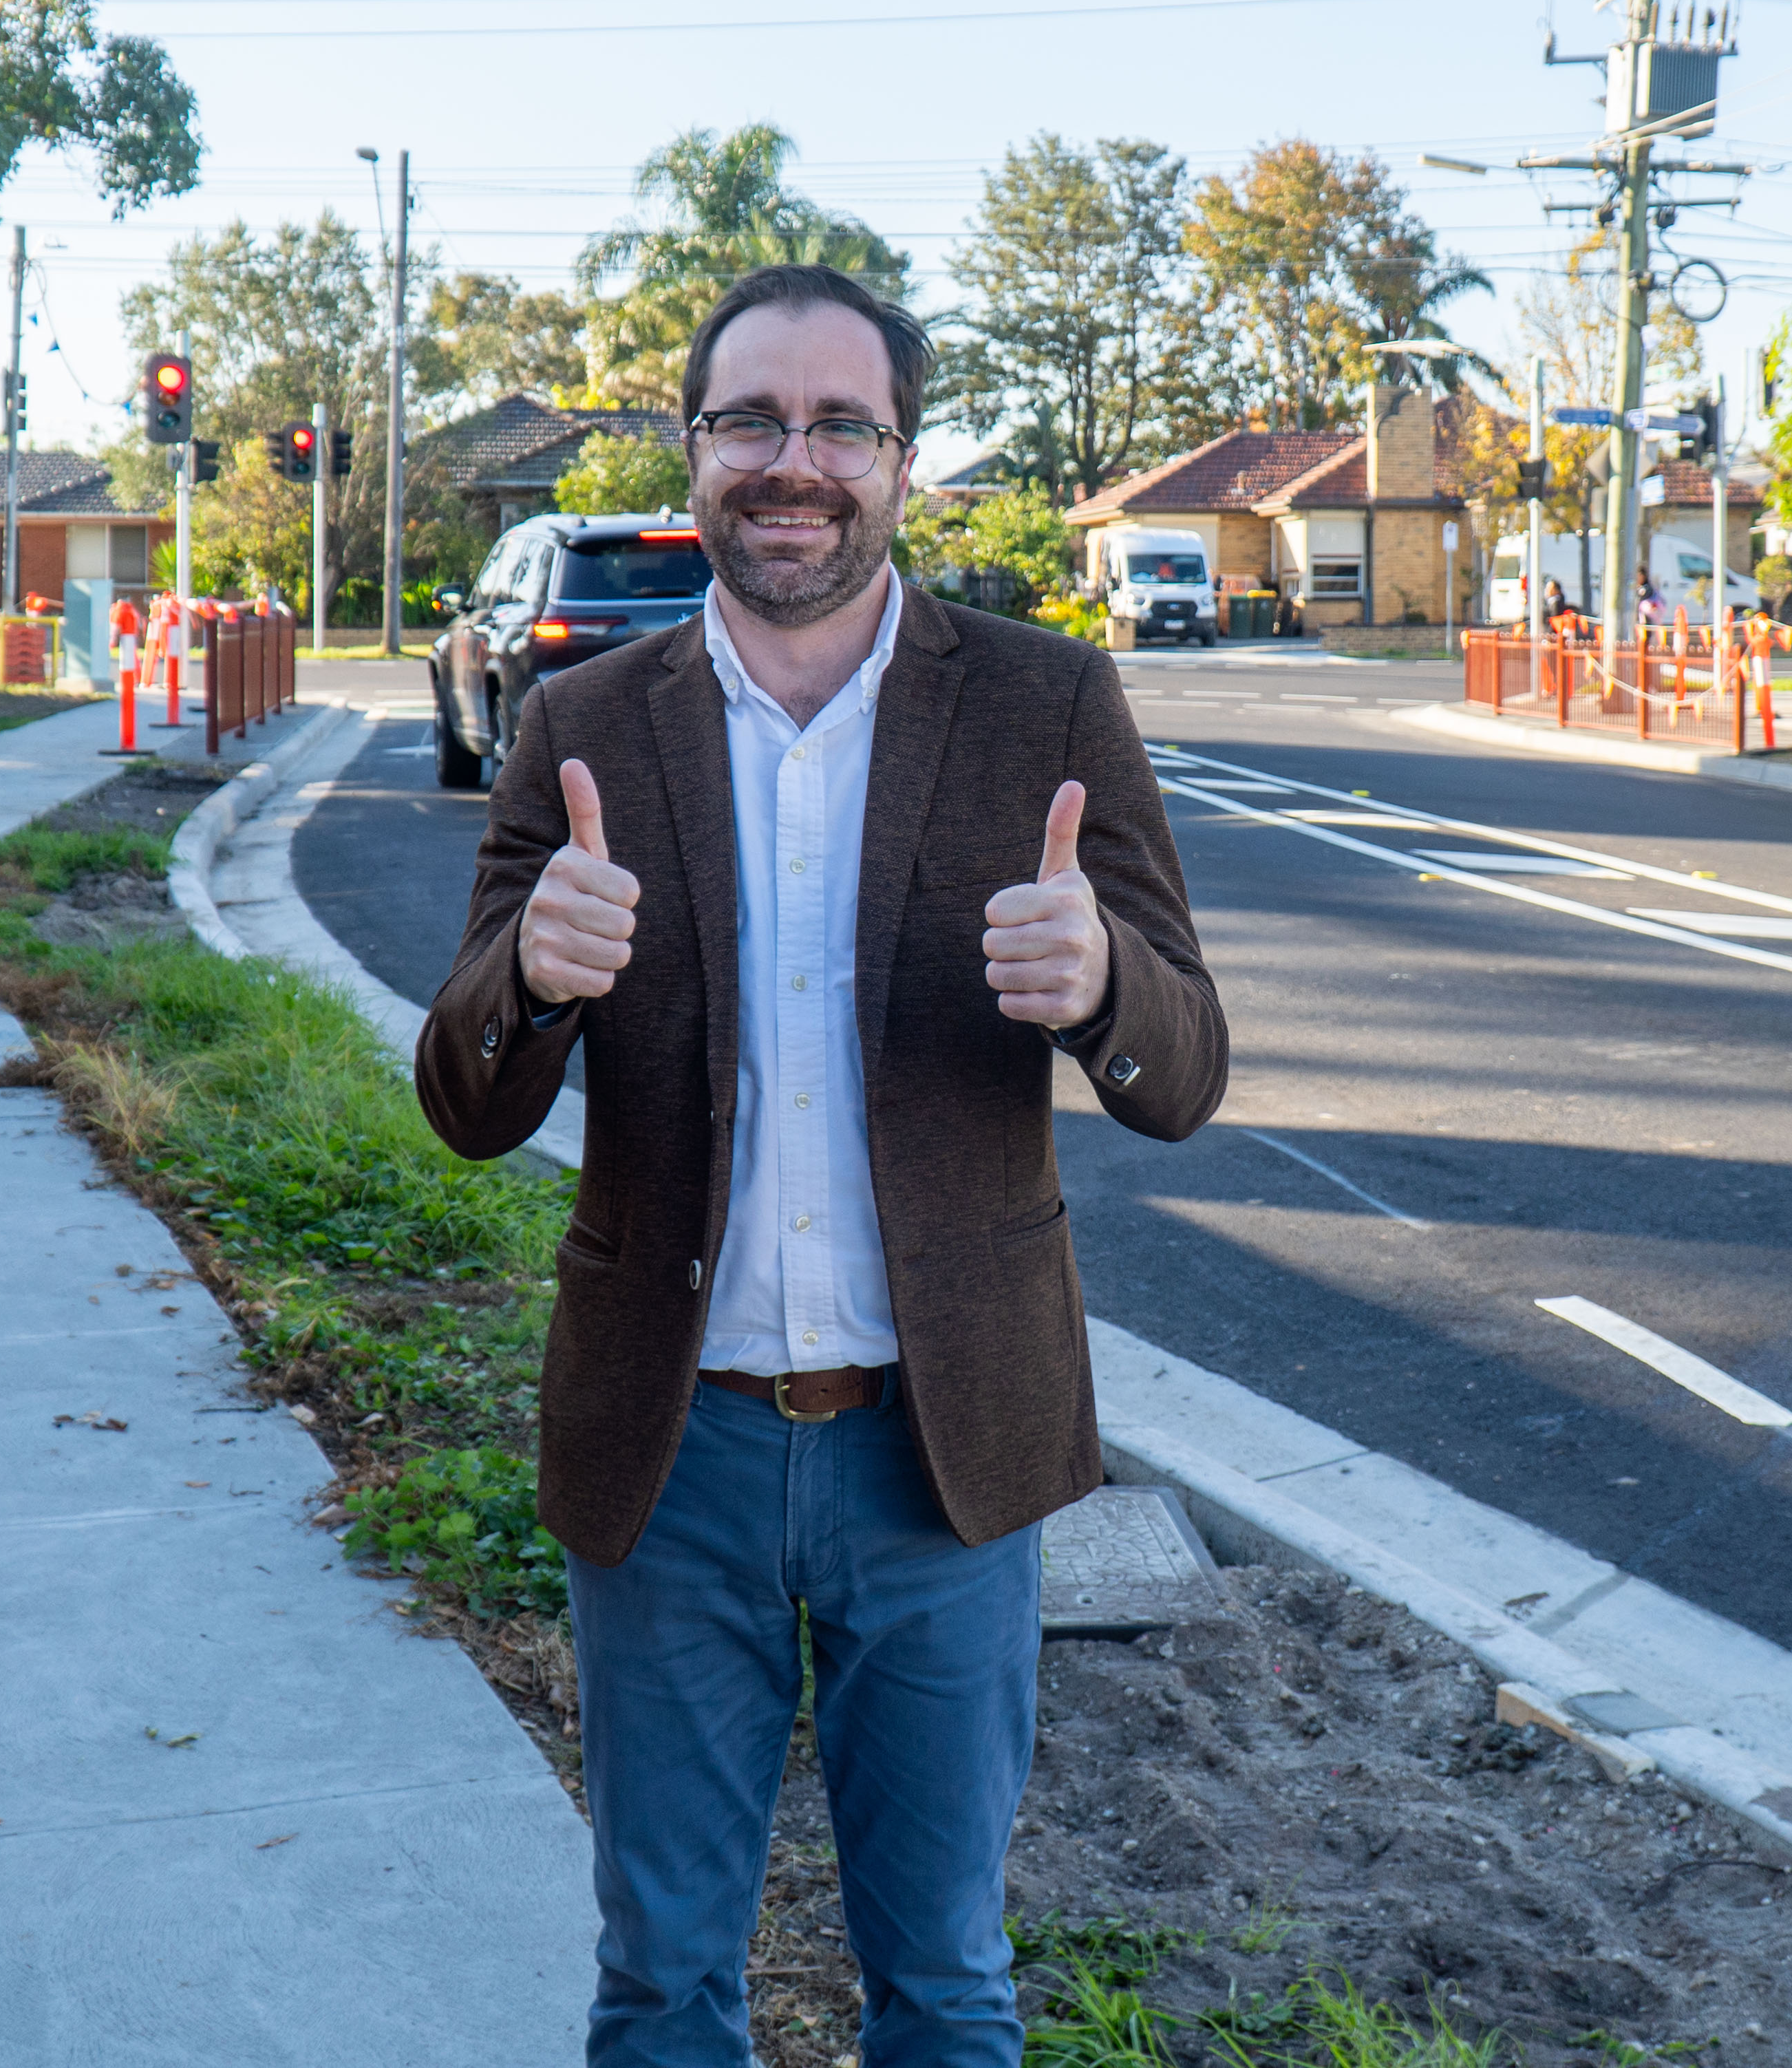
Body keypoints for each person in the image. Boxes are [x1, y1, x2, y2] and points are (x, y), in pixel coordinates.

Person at [416, 262, 1228, 2067]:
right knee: (660, 1984)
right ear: (695, 451)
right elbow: (466, 1100)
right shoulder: (583, 726)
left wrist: (1104, 984)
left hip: (942, 1457)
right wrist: (530, 976)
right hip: (671, 1451)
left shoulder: (1046, 707)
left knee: (945, 1985)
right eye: (753, 422)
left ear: (901, 462)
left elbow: (1185, 1070)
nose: (795, 463)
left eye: (841, 426)